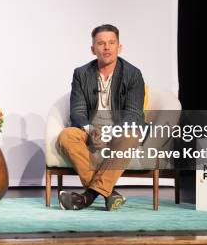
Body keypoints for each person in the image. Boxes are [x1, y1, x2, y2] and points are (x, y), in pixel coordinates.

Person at [58, 24, 145, 211]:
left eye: (112, 42)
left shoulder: (133, 74)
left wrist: (111, 133)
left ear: (119, 47)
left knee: (130, 135)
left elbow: (133, 113)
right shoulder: (81, 74)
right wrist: (91, 131)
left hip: (120, 131)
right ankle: (109, 193)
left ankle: (87, 197)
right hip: (91, 129)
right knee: (67, 136)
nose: (107, 47)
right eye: (101, 43)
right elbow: (77, 112)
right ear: (93, 49)